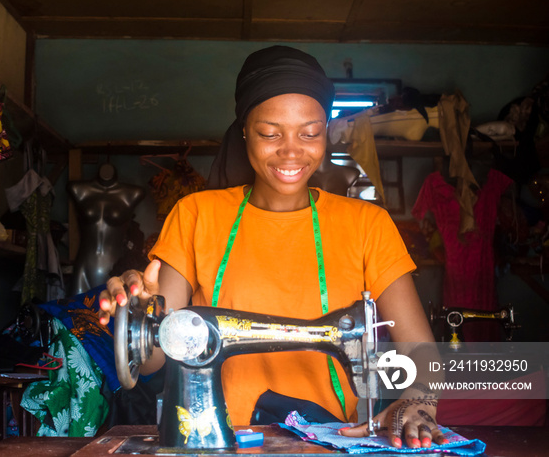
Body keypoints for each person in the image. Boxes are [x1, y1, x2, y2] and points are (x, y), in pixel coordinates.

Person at [99, 46, 444, 449]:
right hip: (218, 441)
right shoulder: (196, 215)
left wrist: (419, 401)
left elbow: (421, 355)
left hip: (330, 441)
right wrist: (135, 312)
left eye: (310, 133)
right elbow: (159, 353)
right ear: (244, 129)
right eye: (270, 133)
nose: (292, 150)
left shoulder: (368, 225)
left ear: (325, 131)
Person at [67, 162, 145, 296]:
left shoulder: (133, 193)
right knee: (75, 312)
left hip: (115, 268)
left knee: (114, 313)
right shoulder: (78, 189)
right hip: (84, 265)